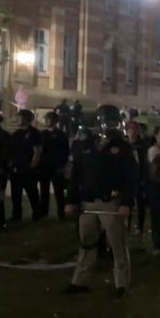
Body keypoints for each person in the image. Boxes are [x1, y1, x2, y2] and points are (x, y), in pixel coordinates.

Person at [62, 105, 138, 298]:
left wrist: (126, 203)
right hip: (88, 202)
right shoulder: (87, 145)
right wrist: (71, 200)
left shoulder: (123, 148)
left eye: (114, 122)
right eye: (109, 121)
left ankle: (122, 284)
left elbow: (131, 178)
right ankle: (79, 281)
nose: (112, 126)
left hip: (111, 202)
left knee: (117, 245)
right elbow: (76, 176)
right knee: (87, 244)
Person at [8, 109, 43, 222]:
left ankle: (37, 214)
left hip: (28, 168)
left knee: (32, 193)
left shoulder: (34, 133)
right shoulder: (17, 134)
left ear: (26, 119)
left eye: (19, 117)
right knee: (16, 195)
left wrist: (33, 165)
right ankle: (16, 216)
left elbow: (37, 150)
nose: (17, 120)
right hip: (16, 168)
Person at [38, 111, 70, 220]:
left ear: (55, 121)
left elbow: (65, 152)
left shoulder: (61, 135)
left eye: (48, 119)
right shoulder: (42, 134)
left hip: (57, 167)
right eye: (45, 118)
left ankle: (61, 212)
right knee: (44, 190)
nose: (46, 121)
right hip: (44, 167)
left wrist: (62, 166)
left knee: (59, 191)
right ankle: (43, 212)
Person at [125, 121, 151, 237]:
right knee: (127, 202)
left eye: (134, 130)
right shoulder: (124, 145)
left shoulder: (143, 145)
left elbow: (145, 163)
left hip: (139, 177)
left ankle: (139, 227)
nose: (132, 132)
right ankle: (127, 226)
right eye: (130, 130)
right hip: (127, 178)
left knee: (140, 203)